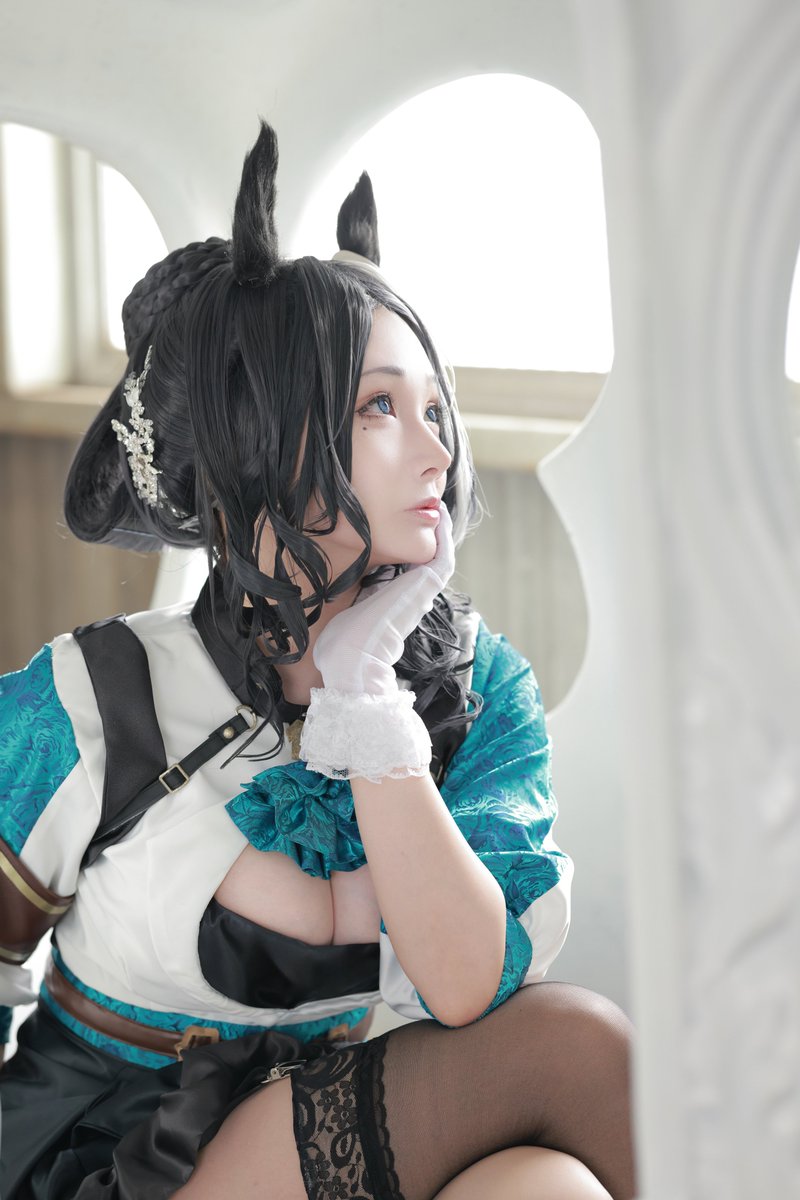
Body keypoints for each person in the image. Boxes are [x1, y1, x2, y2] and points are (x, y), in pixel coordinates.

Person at [0, 121, 635, 1200]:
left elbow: (465, 990)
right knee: (575, 1047)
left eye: (433, 407)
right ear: (263, 434)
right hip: (122, 1156)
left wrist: (367, 696)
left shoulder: (479, 694)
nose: (436, 449)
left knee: (546, 1187)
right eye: (380, 406)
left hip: (333, 1129)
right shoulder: (97, 699)